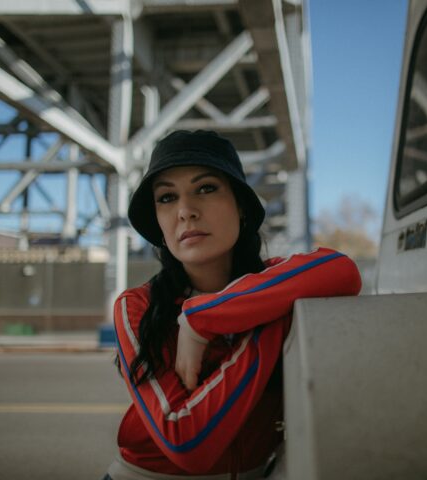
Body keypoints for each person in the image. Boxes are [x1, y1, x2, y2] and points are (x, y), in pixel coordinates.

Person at [106, 130, 362, 480]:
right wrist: (268, 319)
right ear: (159, 222)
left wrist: (201, 320)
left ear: (240, 205)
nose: (185, 211)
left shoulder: (275, 279)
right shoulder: (137, 306)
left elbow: (343, 270)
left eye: (206, 188)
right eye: (167, 197)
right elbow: (187, 443)